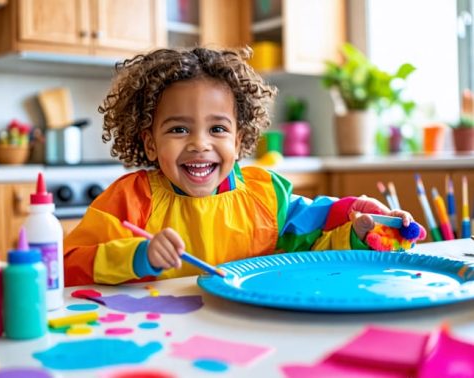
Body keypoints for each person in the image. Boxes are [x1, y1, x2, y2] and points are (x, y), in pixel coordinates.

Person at [64, 47, 419, 287]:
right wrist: (139, 256)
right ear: (150, 143)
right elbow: (68, 263)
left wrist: (359, 228)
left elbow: (316, 247)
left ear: (237, 141)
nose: (200, 143)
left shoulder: (265, 195)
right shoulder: (131, 198)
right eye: (178, 129)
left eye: (217, 129)